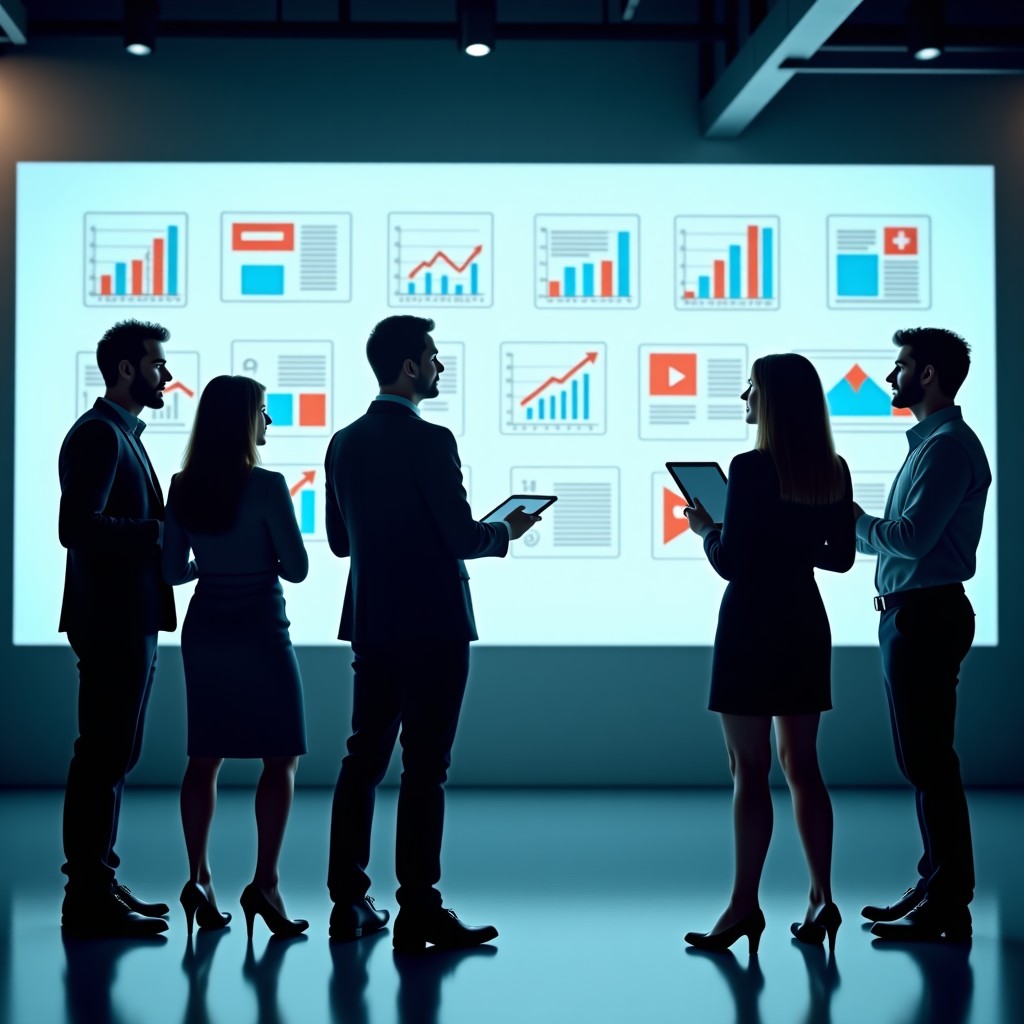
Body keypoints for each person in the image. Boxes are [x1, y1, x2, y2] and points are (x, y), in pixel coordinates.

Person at [324, 315, 539, 950]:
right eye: (434, 358)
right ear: (411, 367)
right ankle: (418, 907)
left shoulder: (343, 442)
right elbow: (460, 536)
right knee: (425, 769)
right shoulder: (431, 440)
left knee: (362, 759)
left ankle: (348, 902)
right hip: (435, 626)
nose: (440, 367)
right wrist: (505, 533)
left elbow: (341, 543)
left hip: (373, 623)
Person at [682, 353, 855, 954]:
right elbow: (839, 558)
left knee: (748, 771)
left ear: (772, 401)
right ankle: (822, 897)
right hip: (805, 622)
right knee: (803, 767)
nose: (744, 399)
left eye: (751, 389)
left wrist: (708, 526)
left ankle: (741, 907)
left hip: (752, 624)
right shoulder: (833, 469)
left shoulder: (750, 469)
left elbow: (732, 563)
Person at [854, 328, 990, 943]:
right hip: (911, 614)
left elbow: (911, 538)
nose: (892, 377)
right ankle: (934, 886)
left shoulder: (947, 447)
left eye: (902, 365)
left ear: (929, 374)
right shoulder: (930, 444)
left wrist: (851, 524)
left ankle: (947, 902)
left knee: (930, 762)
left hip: (925, 615)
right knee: (924, 760)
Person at [162, 375, 310, 939]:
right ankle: (265, 884)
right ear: (246, 421)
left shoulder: (181, 487)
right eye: (265, 412)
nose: (270, 422)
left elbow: (174, 571)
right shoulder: (269, 486)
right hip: (261, 630)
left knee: (205, 758)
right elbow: (295, 568)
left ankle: (198, 877)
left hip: (207, 630)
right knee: (280, 758)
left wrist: (212, 567)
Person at [58, 319, 175, 937]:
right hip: (111, 619)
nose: (167, 375)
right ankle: (87, 896)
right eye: (157, 364)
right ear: (127, 369)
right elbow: (77, 527)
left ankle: (98, 880)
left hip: (127, 616)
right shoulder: (101, 436)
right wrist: (160, 533)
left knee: (113, 753)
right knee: (103, 754)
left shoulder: (120, 434)